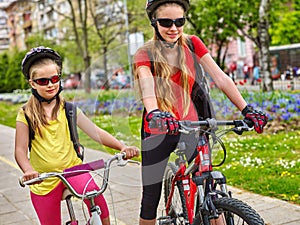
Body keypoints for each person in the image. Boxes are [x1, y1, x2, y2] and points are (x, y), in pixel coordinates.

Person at [133, 1, 268, 225]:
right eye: (166, 22)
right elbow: (147, 85)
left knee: (209, 186)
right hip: (159, 126)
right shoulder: (144, 52)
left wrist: (246, 109)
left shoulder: (193, 44)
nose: (174, 28)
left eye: (180, 21)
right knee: (149, 201)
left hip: (194, 125)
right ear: (154, 23)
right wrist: (155, 112)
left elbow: (221, 77)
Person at [15, 46, 140, 225]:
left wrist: (122, 147)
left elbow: (96, 132)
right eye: (43, 81)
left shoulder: (69, 110)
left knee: (101, 209)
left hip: (73, 170)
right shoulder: (26, 114)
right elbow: (20, 150)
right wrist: (28, 170)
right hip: (44, 179)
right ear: (32, 83)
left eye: (55, 79)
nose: (50, 84)